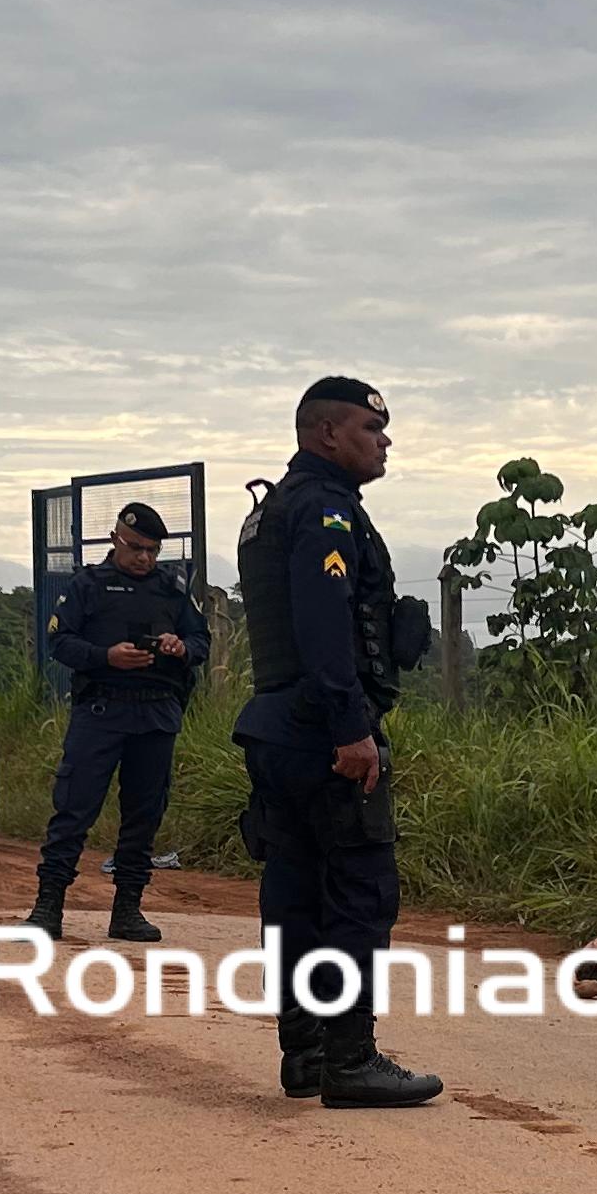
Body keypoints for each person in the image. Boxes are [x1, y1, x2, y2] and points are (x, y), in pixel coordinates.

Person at [232, 376, 441, 1108]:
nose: (383, 442)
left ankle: (307, 1052)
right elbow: (323, 625)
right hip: (324, 730)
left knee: (292, 892)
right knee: (357, 890)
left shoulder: (274, 511)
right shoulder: (324, 510)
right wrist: (352, 727)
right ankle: (351, 1059)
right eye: (369, 429)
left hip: (278, 728)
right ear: (326, 434)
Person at [29, 501, 209, 943]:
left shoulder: (171, 589)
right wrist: (106, 657)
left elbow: (201, 639)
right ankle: (48, 907)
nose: (144, 558)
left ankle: (127, 909)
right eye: (136, 548)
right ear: (115, 540)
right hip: (101, 712)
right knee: (74, 809)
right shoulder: (88, 585)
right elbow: (60, 640)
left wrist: (179, 647)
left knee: (144, 816)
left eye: (152, 550)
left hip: (155, 714)